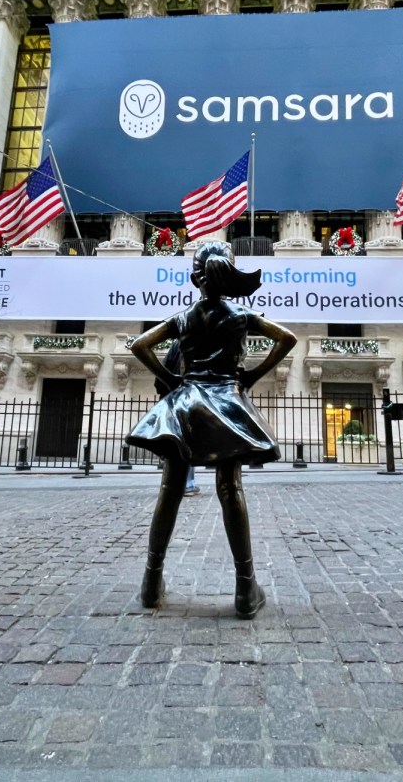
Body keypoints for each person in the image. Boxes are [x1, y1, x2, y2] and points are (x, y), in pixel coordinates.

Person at [126, 241, 297, 619]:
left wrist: (170, 379)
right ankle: (245, 588)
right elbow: (287, 338)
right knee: (230, 488)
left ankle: (151, 583)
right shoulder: (241, 313)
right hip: (226, 400)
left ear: (195, 279)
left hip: (185, 403)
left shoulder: (184, 316)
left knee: (170, 489)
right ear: (229, 274)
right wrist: (252, 374)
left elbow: (140, 345)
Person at [154, 341, 199, 496]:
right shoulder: (196, 342)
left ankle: (171, 483)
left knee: (174, 442)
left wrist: (166, 387)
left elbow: (161, 373)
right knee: (187, 442)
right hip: (189, 398)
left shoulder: (176, 345)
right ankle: (187, 484)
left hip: (171, 397)